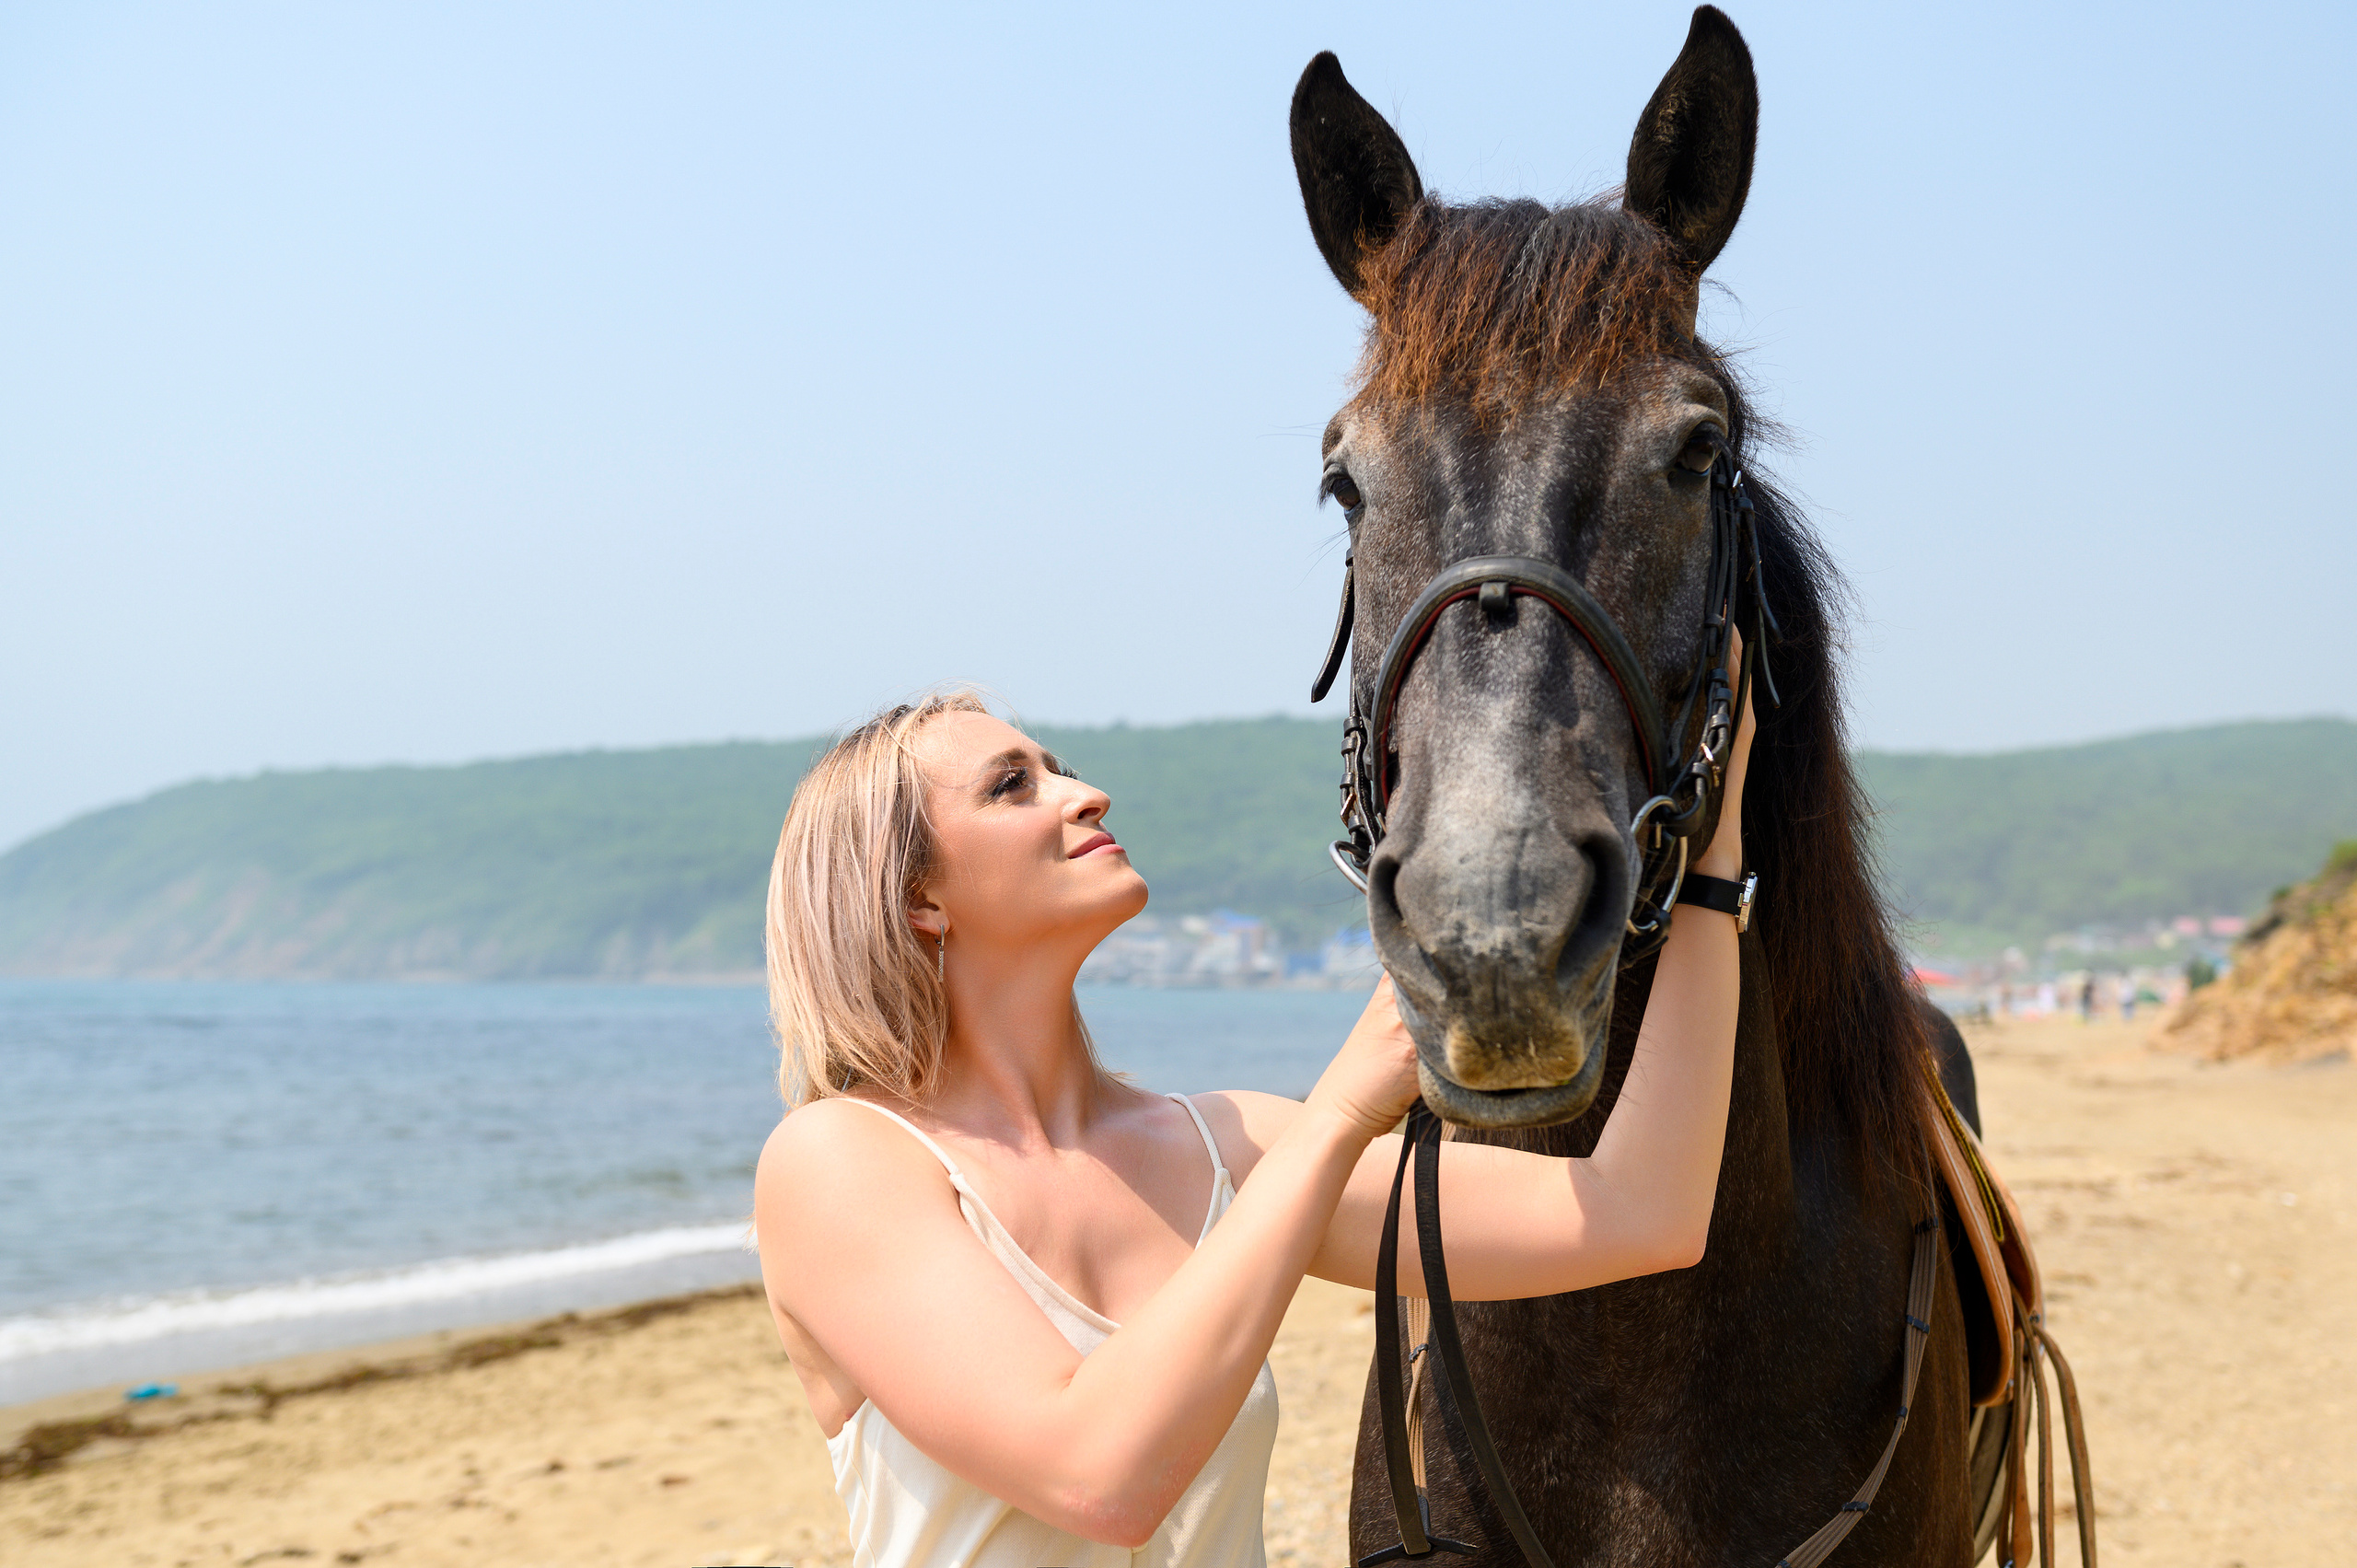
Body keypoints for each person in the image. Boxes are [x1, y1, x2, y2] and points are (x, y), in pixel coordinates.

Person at [753, 674, 1755, 1568]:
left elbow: (1642, 1208)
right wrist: (1339, 1114)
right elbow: (1101, 1479)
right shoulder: (841, 1160)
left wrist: (1715, 858)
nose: (1084, 791)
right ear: (919, 898)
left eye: (1056, 767)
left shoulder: (1225, 1143)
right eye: (1012, 785)